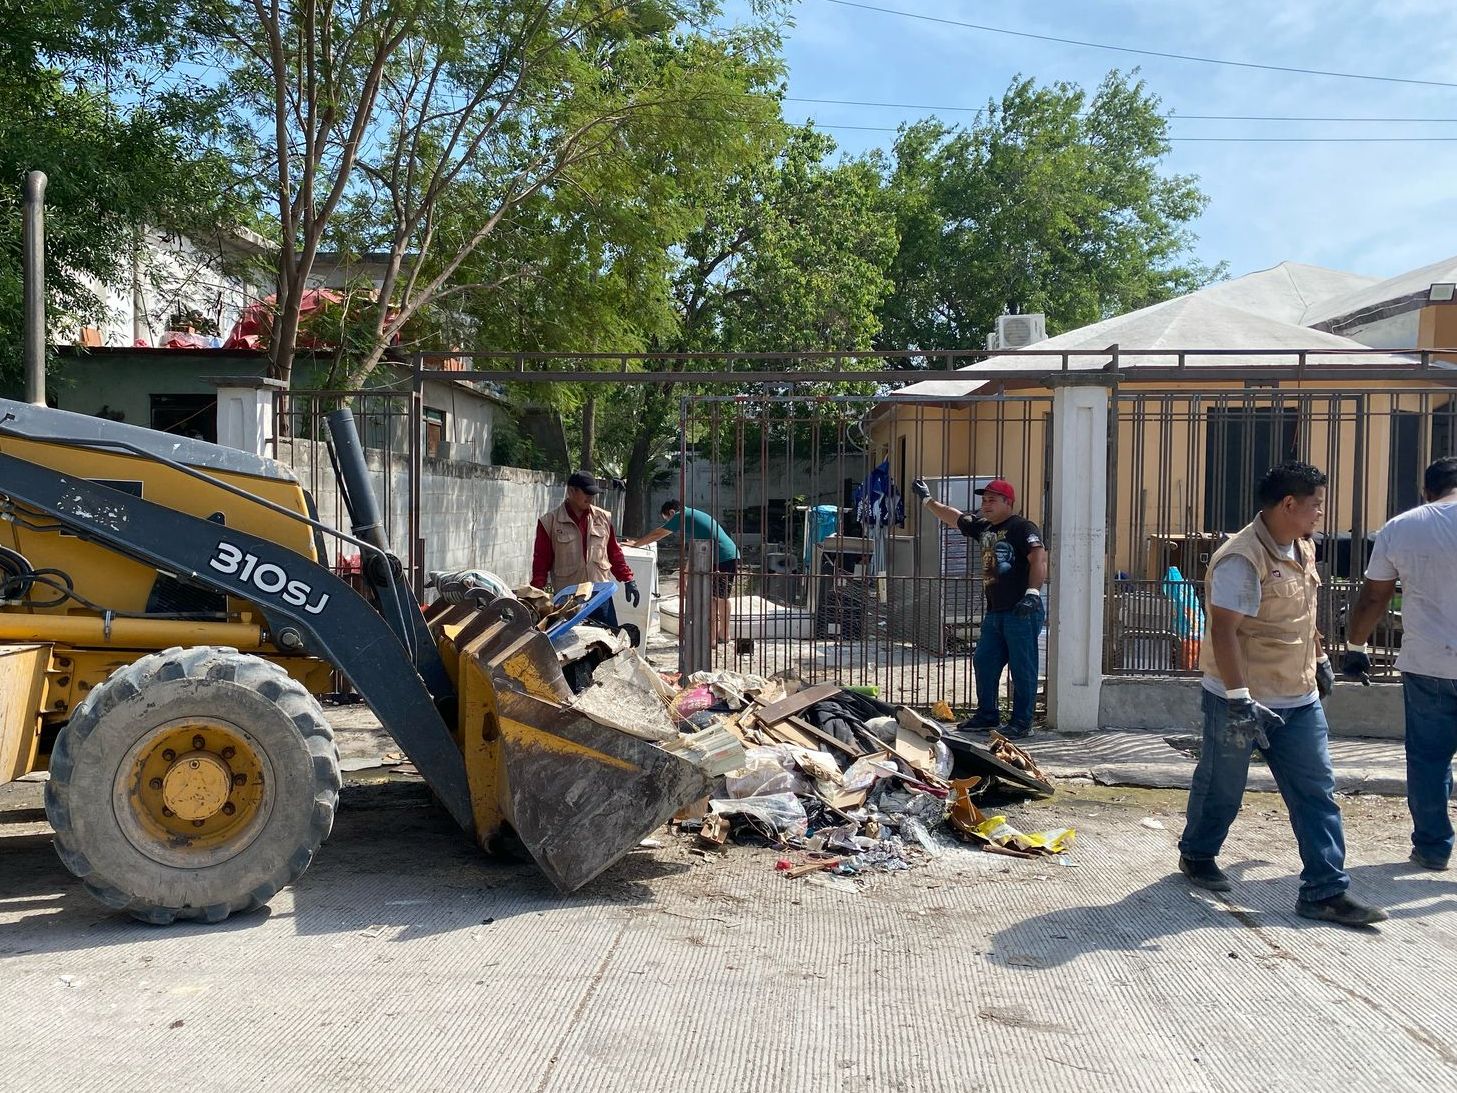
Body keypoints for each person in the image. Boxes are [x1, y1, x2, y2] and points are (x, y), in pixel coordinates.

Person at [1176, 460, 1386, 927]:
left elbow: (1303, 614)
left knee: (1317, 792)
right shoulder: (1241, 558)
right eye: (1316, 505)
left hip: (1298, 696)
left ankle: (1325, 891)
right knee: (1223, 787)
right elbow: (1224, 630)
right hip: (1240, 698)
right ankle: (1198, 853)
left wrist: (1321, 658)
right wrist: (1238, 699)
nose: (1321, 514)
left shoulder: (1303, 547)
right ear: (1289, 504)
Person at [1342, 456, 1457, 872]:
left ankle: (1433, 848)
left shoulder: (1402, 526)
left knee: (1428, 760)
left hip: (1429, 663)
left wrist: (1355, 645)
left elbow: (1375, 596)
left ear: (1427, 491)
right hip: (1428, 662)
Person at [913, 476, 1045, 739]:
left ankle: (1022, 722)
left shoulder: (1022, 527)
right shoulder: (983, 528)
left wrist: (1032, 593)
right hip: (995, 611)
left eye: (992, 500)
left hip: (1021, 610)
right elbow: (953, 517)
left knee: (1022, 667)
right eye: (984, 500)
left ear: (1008, 502)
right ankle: (987, 715)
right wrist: (927, 500)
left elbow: (1038, 558)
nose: (985, 504)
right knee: (984, 661)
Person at [532, 471, 638, 625]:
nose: (591, 497)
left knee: (608, 637)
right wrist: (537, 595)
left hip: (599, 596)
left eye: (592, 494)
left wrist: (628, 579)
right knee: (569, 639)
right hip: (568, 600)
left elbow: (614, 553)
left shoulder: (603, 518)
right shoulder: (550, 522)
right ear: (571, 491)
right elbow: (541, 562)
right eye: (586, 493)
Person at [629, 500, 739, 645]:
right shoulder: (692, 518)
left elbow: (659, 533)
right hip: (721, 556)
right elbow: (695, 551)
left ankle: (723, 635)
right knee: (713, 597)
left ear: (671, 513)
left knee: (720, 597)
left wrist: (636, 544)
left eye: (667, 520)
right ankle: (713, 637)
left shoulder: (680, 516)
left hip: (723, 557)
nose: (670, 524)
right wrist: (684, 576)